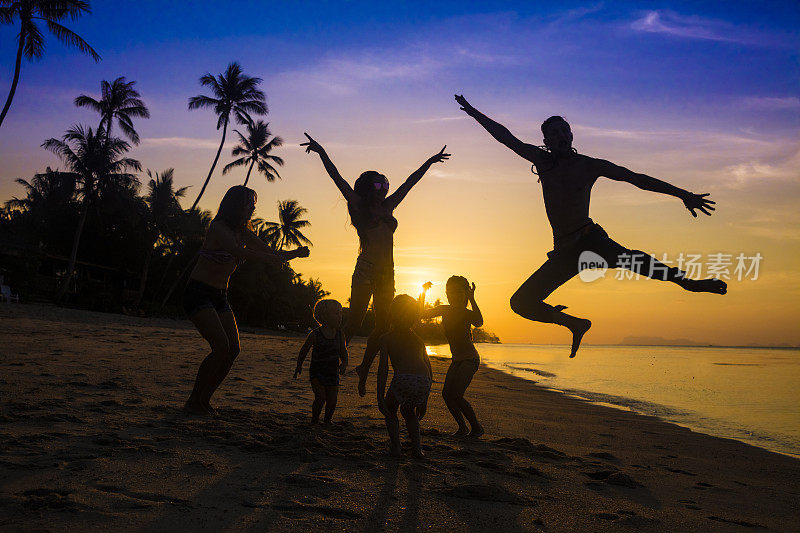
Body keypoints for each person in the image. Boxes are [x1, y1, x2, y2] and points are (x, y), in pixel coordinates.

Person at [454, 95, 727, 358]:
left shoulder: (588, 165)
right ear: (546, 141)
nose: (561, 135)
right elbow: (505, 137)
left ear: (571, 136)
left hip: (591, 241)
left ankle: (689, 284)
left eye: (565, 130)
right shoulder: (543, 162)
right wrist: (472, 112)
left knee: (637, 260)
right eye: (554, 132)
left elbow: (637, 178)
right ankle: (574, 323)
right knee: (520, 303)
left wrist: (683, 195)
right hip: (564, 253)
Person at [301, 132, 449, 396]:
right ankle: (330, 359)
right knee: (355, 321)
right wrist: (322, 151)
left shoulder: (389, 206)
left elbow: (409, 183)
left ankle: (364, 368)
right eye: (377, 186)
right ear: (367, 188)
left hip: (387, 272)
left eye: (384, 186)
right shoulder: (357, 205)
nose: (383, 190)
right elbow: (337, 177)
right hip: (366, 268)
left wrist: (430, 161)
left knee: (383, 326)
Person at [183, 185, 309, 415]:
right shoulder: (219, 227)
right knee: (220, 347)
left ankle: (204, 401)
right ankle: (193, 401)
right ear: (236, 205)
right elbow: (238, 251)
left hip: (220, 296)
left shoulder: (244, 232)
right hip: (198, 292)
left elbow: (271, 254)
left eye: (253, 203)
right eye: (249, 203)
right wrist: (274, 258)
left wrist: (294, 254)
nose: (253, 207)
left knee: (233, 350)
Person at [421, 277, 484, 437]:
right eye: (449, 292)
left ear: (465, 294)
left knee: (456, 395)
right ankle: (462, 427)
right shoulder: (444, 309)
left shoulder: (466, 313)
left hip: (470, 360)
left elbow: (479, 322)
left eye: (457, 292)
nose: (453, 295)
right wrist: (423, 292)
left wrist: (472, 299)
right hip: (457, 360)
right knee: (446, 395)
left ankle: (476, 427)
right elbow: (421, 315)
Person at [377, 294, 433, 458]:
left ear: (391, 315)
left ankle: (396, 447)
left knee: (390, 410)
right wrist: (425, 399)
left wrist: (380, 395)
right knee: (409, 413)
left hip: (403, 379)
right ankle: (417, 449)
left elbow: (383, 368)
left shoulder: (386, 338)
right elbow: (429, 370)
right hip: (423, 381)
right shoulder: (418, 340)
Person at [294, 299, 348, 424]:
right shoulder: (315, 334)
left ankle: (327, 421)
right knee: (320, 397)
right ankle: (314, 420)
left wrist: (344, 364)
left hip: (332, 373)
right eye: (336, 313)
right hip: (317, 373)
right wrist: (299, 366)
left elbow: (343, 352)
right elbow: (304, 350)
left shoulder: (340, 334)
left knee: (332, 400)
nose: (340, 317)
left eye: (340, 313)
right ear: (324, 316)